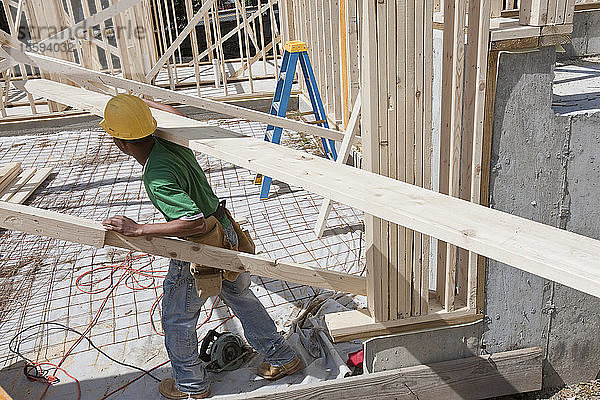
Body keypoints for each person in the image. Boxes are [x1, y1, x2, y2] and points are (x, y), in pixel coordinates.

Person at [99, 94, 301, 399]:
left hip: (200, 248)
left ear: (120, 142)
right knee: (241, 296)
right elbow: (183, 119)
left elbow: (191, 221)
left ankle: (191, 386)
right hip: (226, 231)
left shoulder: (156, 175)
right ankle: (284, 358)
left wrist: (138, 228)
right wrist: (151, 103)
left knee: (177, 317)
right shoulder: (172, 139)